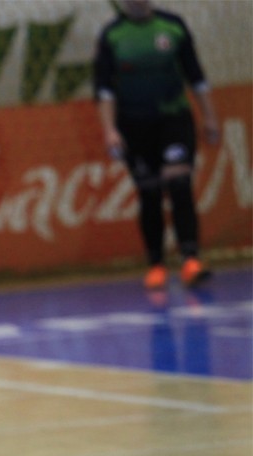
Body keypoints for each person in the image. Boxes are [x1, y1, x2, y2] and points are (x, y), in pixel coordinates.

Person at [93, 0, 220, 291]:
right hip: (134, 125)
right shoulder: (112, 35)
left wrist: (210, 117)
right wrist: (110, 130)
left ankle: (190, 259)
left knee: (179, 182)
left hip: (174, 118)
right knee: (149, 192)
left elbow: (196, 76)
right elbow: (104, 89)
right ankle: (156, 264)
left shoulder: (172, 27)